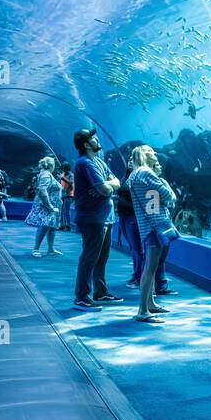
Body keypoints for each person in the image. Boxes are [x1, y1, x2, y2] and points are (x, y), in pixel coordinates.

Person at [72, 128, 122, 310]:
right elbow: (106, 190)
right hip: (92, 218)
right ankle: (82, 296)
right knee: (90, 256)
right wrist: (107, 186)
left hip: (105, 217)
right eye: (93, 138)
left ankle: (100, 291)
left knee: (102, 257)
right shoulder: (85, 163)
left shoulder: (98, 161)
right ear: (86, 144)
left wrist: (107, 185)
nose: (97, 139)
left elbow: (116, 182)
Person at [128, 146, 178, 323]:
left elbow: (151, 201)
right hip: (154, 226)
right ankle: (142, 310)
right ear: (144, 154)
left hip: (147, 224)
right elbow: (170, 196)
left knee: (151, 267)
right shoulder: (147, 173)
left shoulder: (135, 174)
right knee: (149, 268)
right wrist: (165, 186)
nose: (155, 154)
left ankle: (150, 303)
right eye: (151, 152)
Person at [115, 153, 145, 289]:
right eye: (129, 159)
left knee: (138, 249)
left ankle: (140, 277)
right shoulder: (126, 177)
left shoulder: (139, 177)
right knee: (133, 248)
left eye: (133, 159)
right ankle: (136, 274)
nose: (129, 162)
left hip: (134, 217)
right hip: (124, 217)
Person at [25, 157, 62, 257]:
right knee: (45, 225)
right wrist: (49, 206)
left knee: (52, 227)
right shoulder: (46, 174)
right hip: (47, 206)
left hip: (53, 206)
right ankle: (36, 249)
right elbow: (42, 190)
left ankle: (51, 249)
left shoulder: (46, 174)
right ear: (51, 165)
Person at [58, 162, 75, 231]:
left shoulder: (71, 175)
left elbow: (71, 183)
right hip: (62, 194)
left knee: (66, 211)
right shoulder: (63, 174)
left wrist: (62, 178)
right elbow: (61, 184)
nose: (63, 170)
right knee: (61, 210)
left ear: (67, 168)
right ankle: (62, 225)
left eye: (64, 168)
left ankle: (67, 226)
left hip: (68, 195)